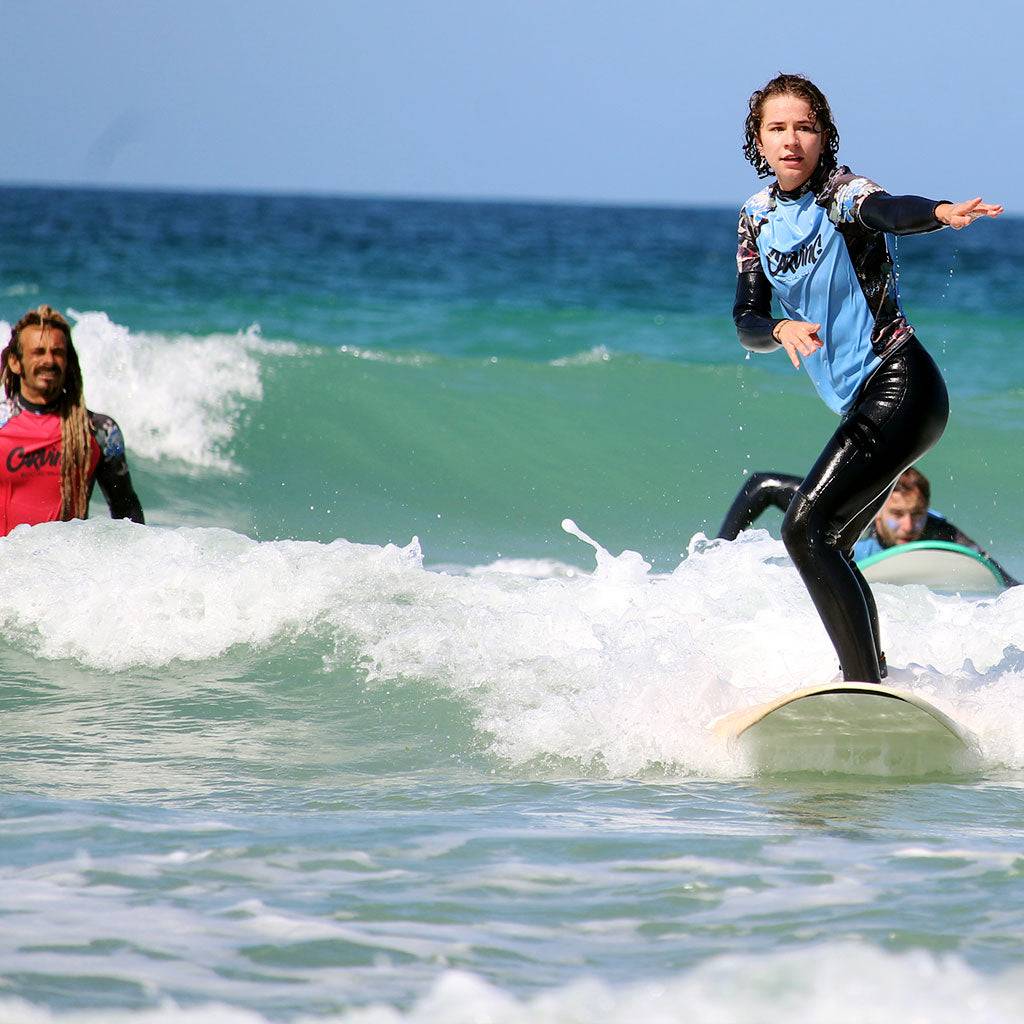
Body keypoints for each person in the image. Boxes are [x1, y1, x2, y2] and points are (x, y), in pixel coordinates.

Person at [733, 73, 1002, 682]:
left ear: (824, 136)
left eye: (805, 126)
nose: (792, 139)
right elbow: (747, 317)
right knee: (831, 540)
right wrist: (777, 330)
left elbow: (888, 209)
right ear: (760, 139)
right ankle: (873, 673)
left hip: (902, 383)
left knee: (805, 528)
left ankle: (863, 682)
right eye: (778, 128)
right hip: (866, 401)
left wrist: (936, 212)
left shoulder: (843, 192)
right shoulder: (755, 219)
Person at [717, 466, 1019, 585]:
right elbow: (763, 485)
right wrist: (719, 554)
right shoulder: (846, 511)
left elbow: (988, 567)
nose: (909, 525)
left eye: (917, 514)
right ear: (878, 507)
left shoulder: (936, 529)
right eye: (898, 514)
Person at [0, 304, 144, 536]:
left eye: (57, 352)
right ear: (16, 362)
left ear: (68, 362)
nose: (49, 360)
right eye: (38, 352)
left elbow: (127, 513)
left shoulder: (99, 432)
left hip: (65, 569)